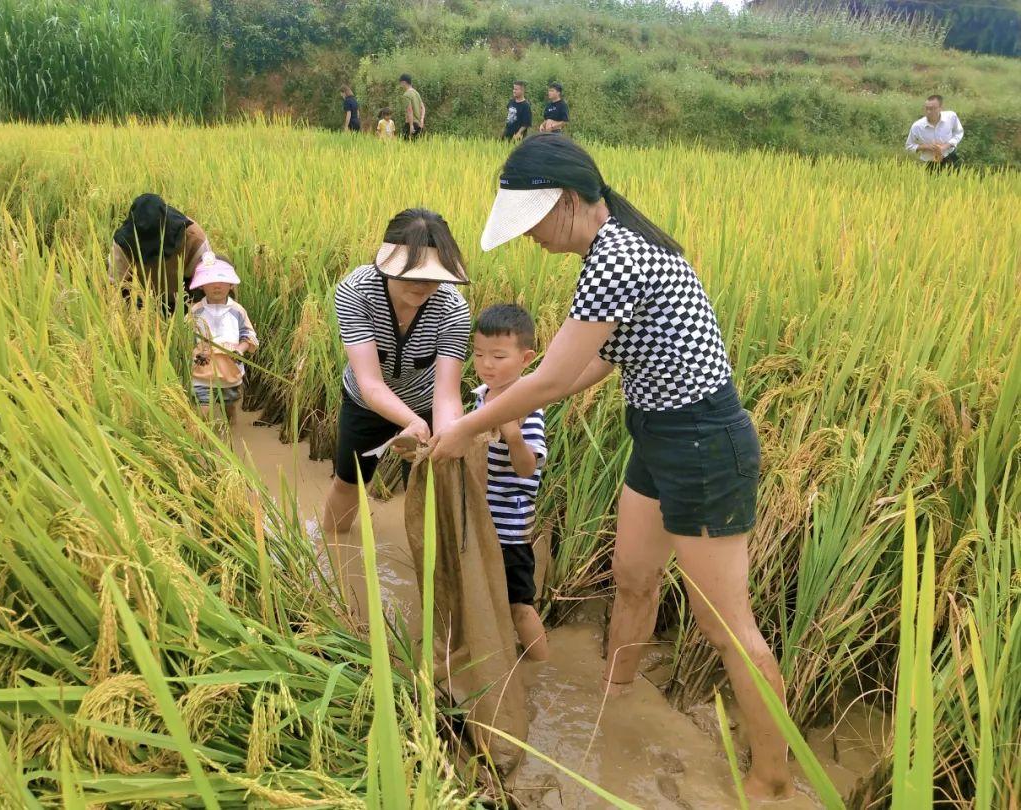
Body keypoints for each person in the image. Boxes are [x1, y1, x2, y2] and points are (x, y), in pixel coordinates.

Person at [429, 134, 795, 800]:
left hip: (704, 444)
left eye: (534, 223)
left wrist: (466, 427)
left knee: (725, 626)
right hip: (657, 434)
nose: (532, 239)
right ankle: (617, 700)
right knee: (632, 576)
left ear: (568, 202)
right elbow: (593, 362)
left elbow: (559, 377)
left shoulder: (618, 254)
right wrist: (500, 403)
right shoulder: (611, 245)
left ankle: (772, 777)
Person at [322, 208, 470, 536]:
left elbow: (447, 394)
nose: (422, 286)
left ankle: (427, 577)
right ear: (388, 264)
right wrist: (410, 422)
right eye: (411, 274)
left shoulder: (453, 308)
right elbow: (371, 384)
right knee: (349, 481)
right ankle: (329, 554)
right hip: (365, 403)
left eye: (432, 276)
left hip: (424, 402)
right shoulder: (356, 292)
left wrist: (442, 438)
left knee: (427, 491)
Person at [473, 304, 549, 661]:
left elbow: (526, 468)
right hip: (478, 520)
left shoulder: (528, 407)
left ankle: (540, 667)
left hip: (509, 529)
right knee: (478, 594)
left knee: (519, 603)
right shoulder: (479, 397)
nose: (487, 364)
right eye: (479, 354)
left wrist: (513, 435)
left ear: (525, 358)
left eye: (498, 356)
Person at [188, 252, 258, 425]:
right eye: (210, 281)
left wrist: (239, 350)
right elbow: (185, 339)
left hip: (230, 371)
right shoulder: (194, 311)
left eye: (222, 280)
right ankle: (202, 443)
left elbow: (248, 336)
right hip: (201, 370)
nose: (216, 286)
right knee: (202, 412)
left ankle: (230, 438)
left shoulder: (238, 311)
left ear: (231, 285)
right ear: (202, 286)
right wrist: (194, 352)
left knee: (230, 410)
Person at [110, 193, 210, 313]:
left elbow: (208, 282)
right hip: (144, 300)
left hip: (186, 295)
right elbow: (117, 284)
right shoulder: (123, 243)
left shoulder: (193, 237)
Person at [906, 94, 963, 170]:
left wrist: (946, 146)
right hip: (930, 164)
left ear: (941, 108)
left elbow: (958, 133)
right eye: (927, 108)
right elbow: (908, 146)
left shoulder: (951, 116)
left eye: (932, 109)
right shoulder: (917, 126)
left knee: (957, 181)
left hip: (950, 157)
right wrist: (925, 147)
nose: (929, 112)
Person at [400, 74, 426, 140]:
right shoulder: (416, 93)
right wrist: (422, 119)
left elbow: (409, 111)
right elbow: (423, 107)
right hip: (419, 123)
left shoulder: (406, 95)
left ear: (404, 82)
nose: (401, 85)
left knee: (404, 146)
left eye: (401, 83)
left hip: (410, 123)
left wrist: (411, 126)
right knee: (416, 146)